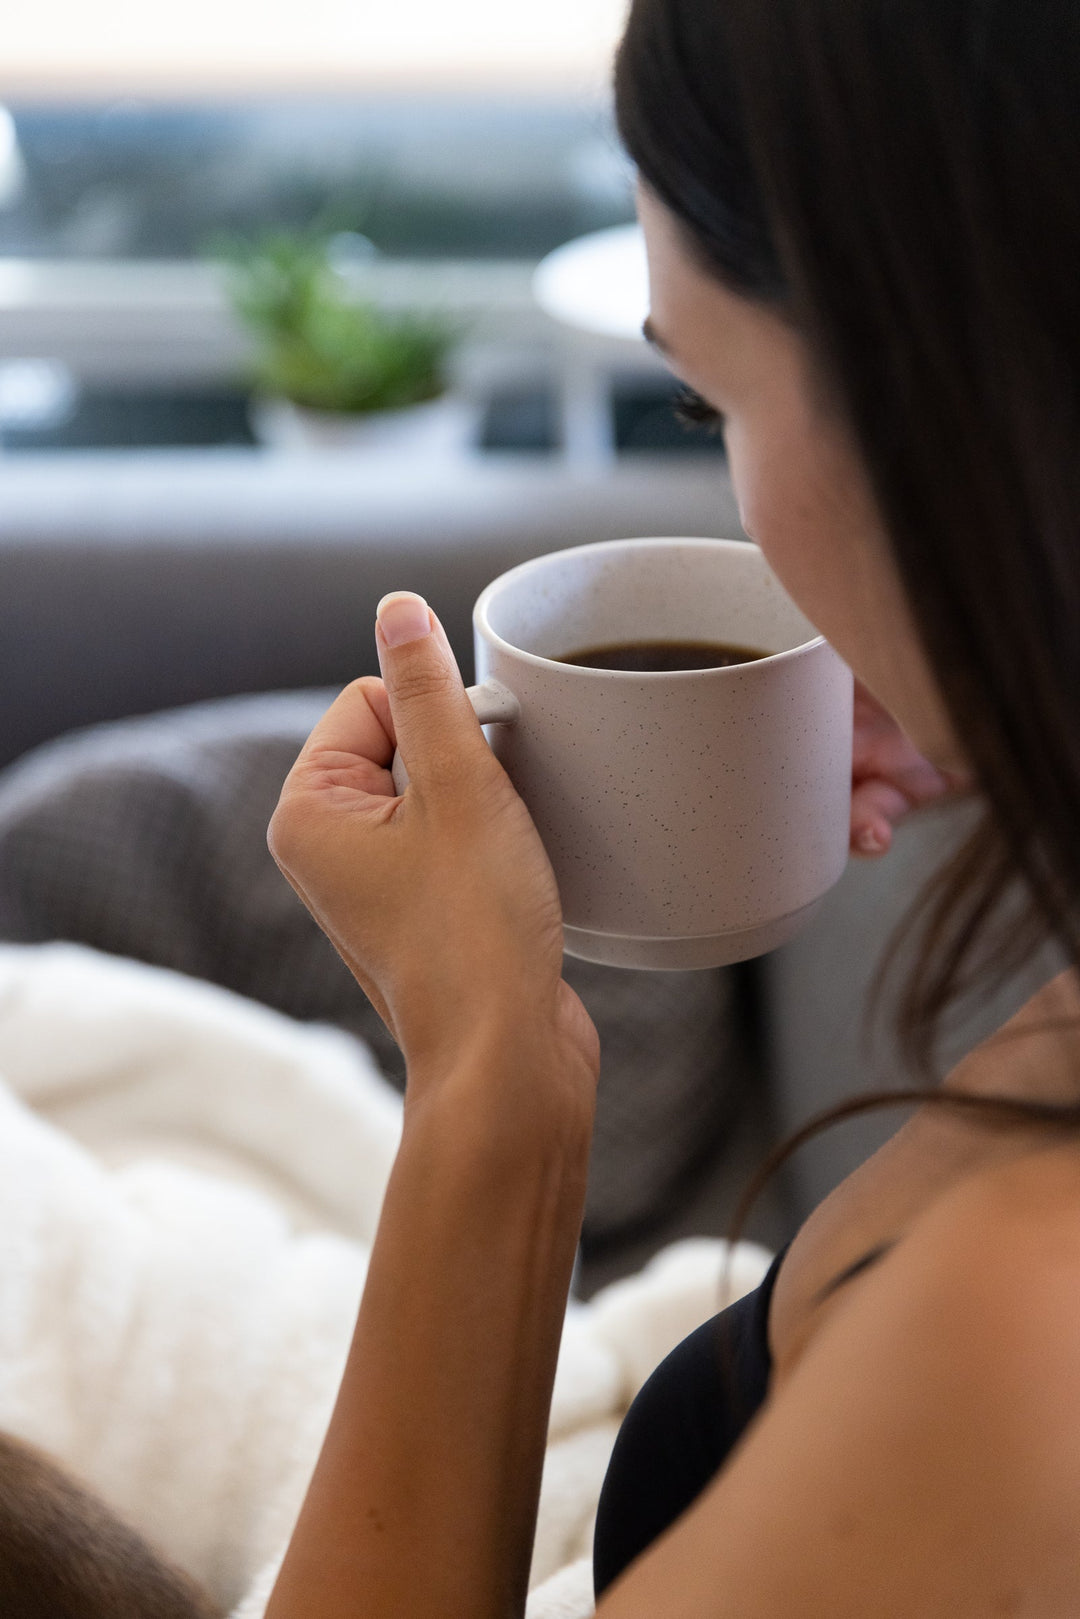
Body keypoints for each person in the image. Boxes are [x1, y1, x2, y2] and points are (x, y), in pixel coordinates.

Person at [256, 1, 1080, 1614]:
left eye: (712, 403)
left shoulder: (1016, 1349)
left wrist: (490, 1082)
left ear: (963, 419)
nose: (742, 504)